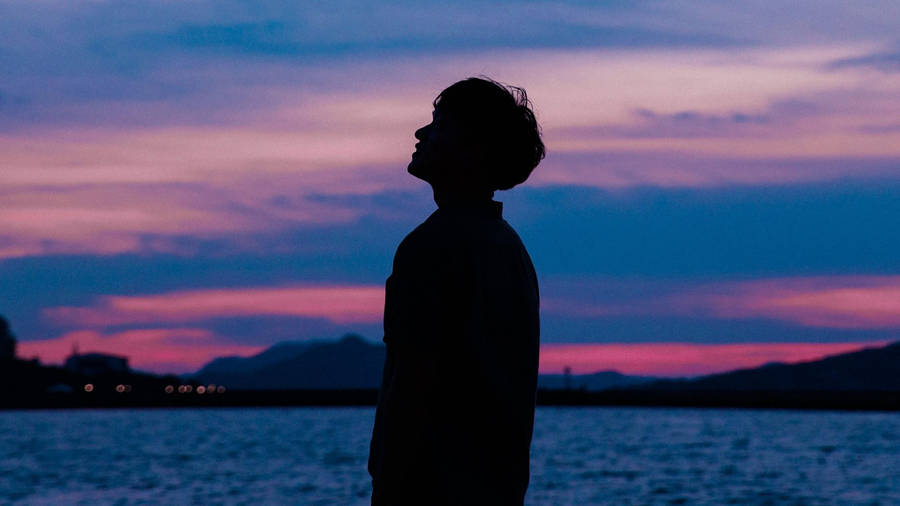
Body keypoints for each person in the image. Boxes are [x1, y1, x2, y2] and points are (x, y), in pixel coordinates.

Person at [368, 77, 545, 505]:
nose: (422, 133)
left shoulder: (433, 246)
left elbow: (413, 380)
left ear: (475, 149)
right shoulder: (507, 247)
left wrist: (389, 482)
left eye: (440, 124)